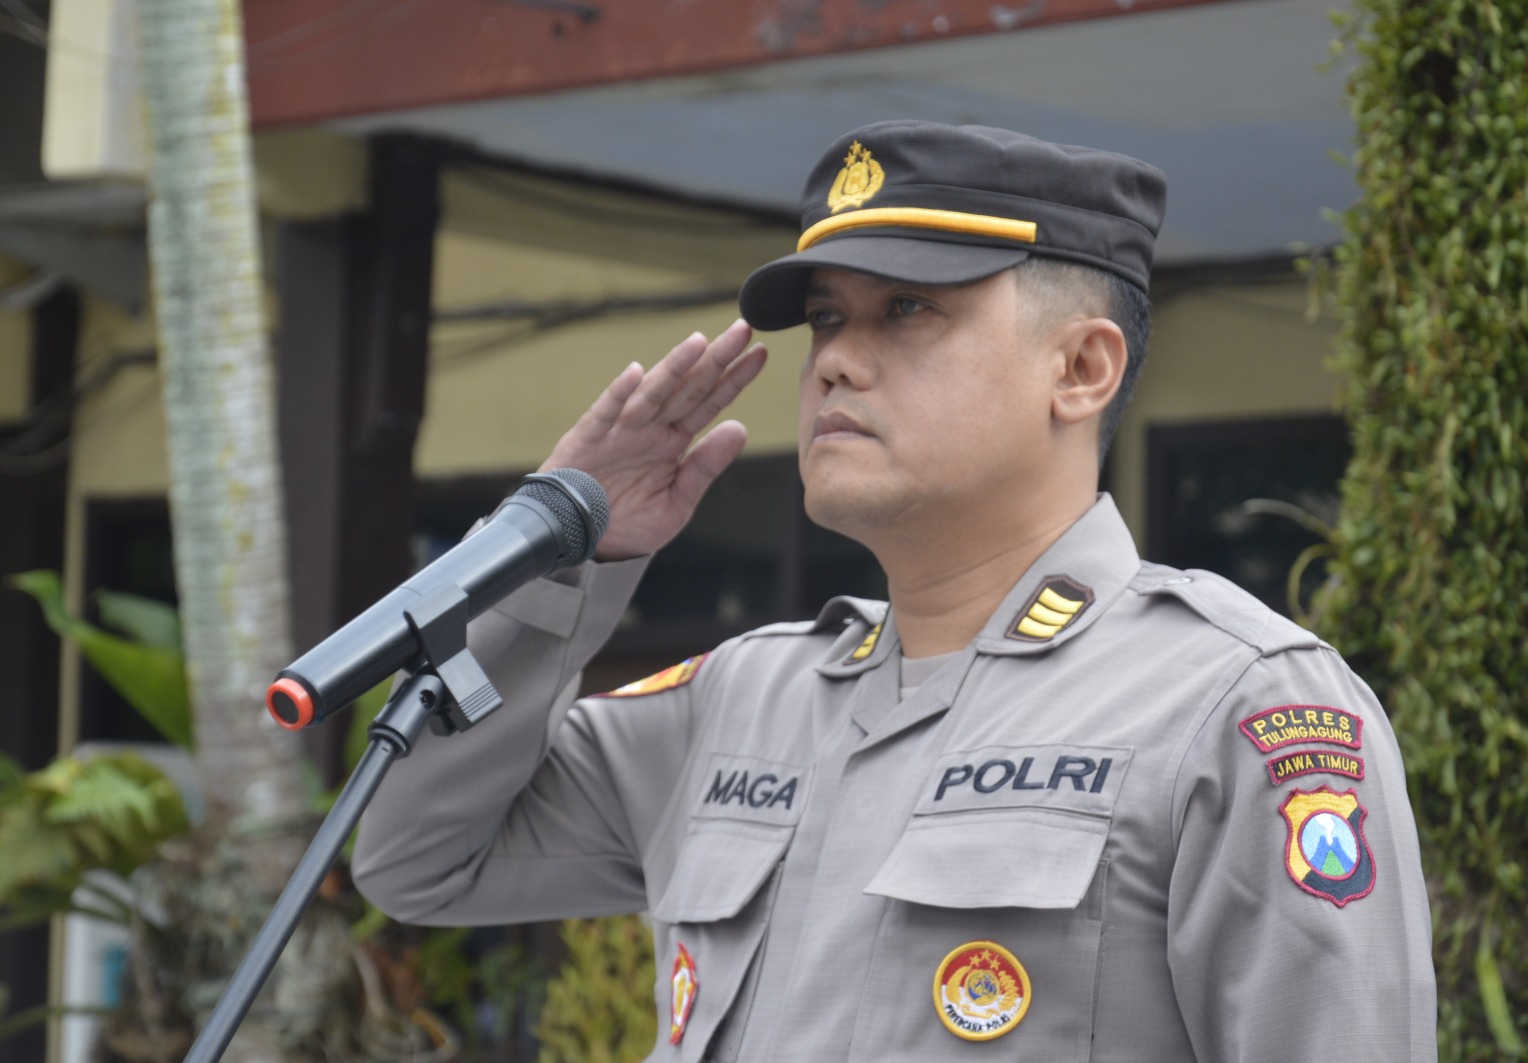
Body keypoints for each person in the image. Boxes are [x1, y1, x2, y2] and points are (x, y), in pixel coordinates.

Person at [353, 121, 1436, 1061]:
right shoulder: (743, 699)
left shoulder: (1231, 708)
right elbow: (419, 861)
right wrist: (561, 563)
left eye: (908, 311)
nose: (834, 362)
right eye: (827, 319)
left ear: (1081, 369)